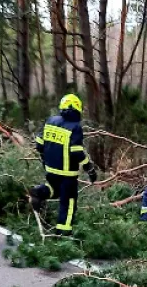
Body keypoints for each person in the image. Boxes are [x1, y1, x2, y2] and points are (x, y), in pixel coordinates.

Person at [28, 94, 97, 236]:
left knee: (54, 190)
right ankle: (64, 234)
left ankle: (39, 192)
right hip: (67, 175)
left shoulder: (51, 121)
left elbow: (39, 144)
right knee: (69, 202)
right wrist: (89, 168)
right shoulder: (75, 127)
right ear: (77, 109)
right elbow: (77, 152)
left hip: (51, 170)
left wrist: (45, 159)